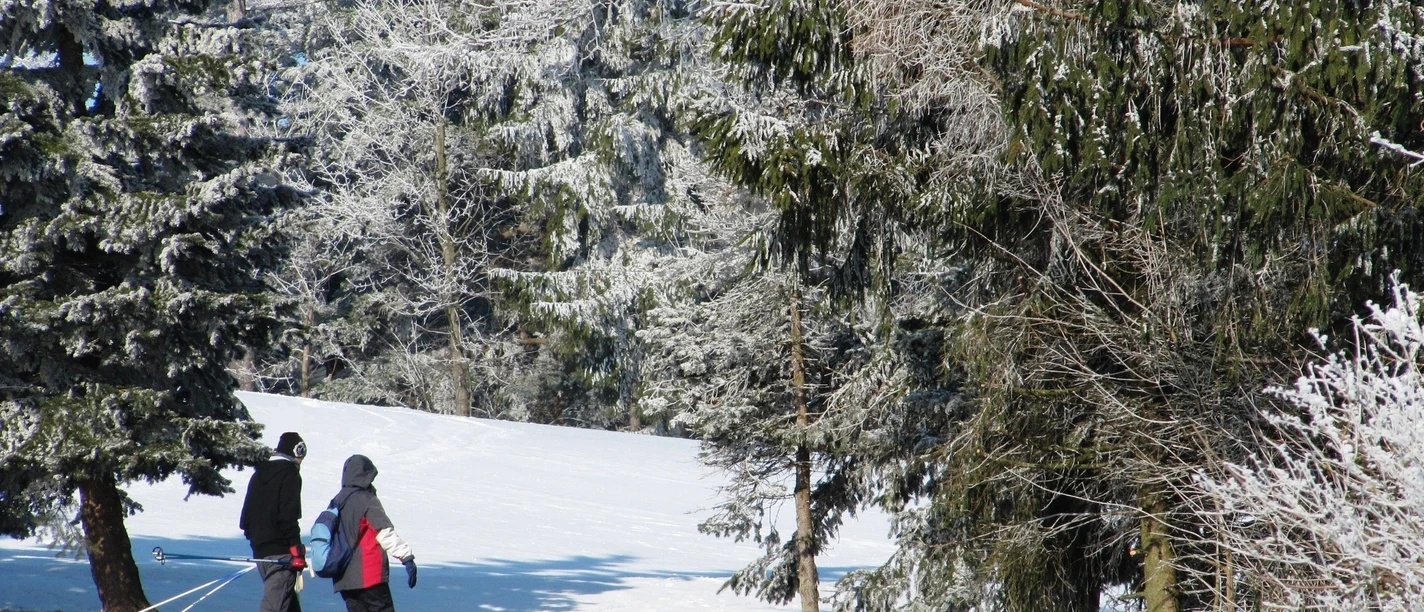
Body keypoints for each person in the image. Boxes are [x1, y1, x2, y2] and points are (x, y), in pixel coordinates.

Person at [329, 454, 417, 612]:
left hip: (344, 578)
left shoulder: (337, 501)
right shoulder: (367, 500)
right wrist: (407, 557)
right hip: (369, 576)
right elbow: (384, 532)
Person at [240, 431, 308, 612]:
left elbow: (246, 518)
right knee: (275, 605)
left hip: (261, 549)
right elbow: (288, 515)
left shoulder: (259, 474)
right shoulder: (290, 475)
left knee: (287, 602)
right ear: (297, 453)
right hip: (281, 551)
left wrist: (257, 539)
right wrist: (295, 548)